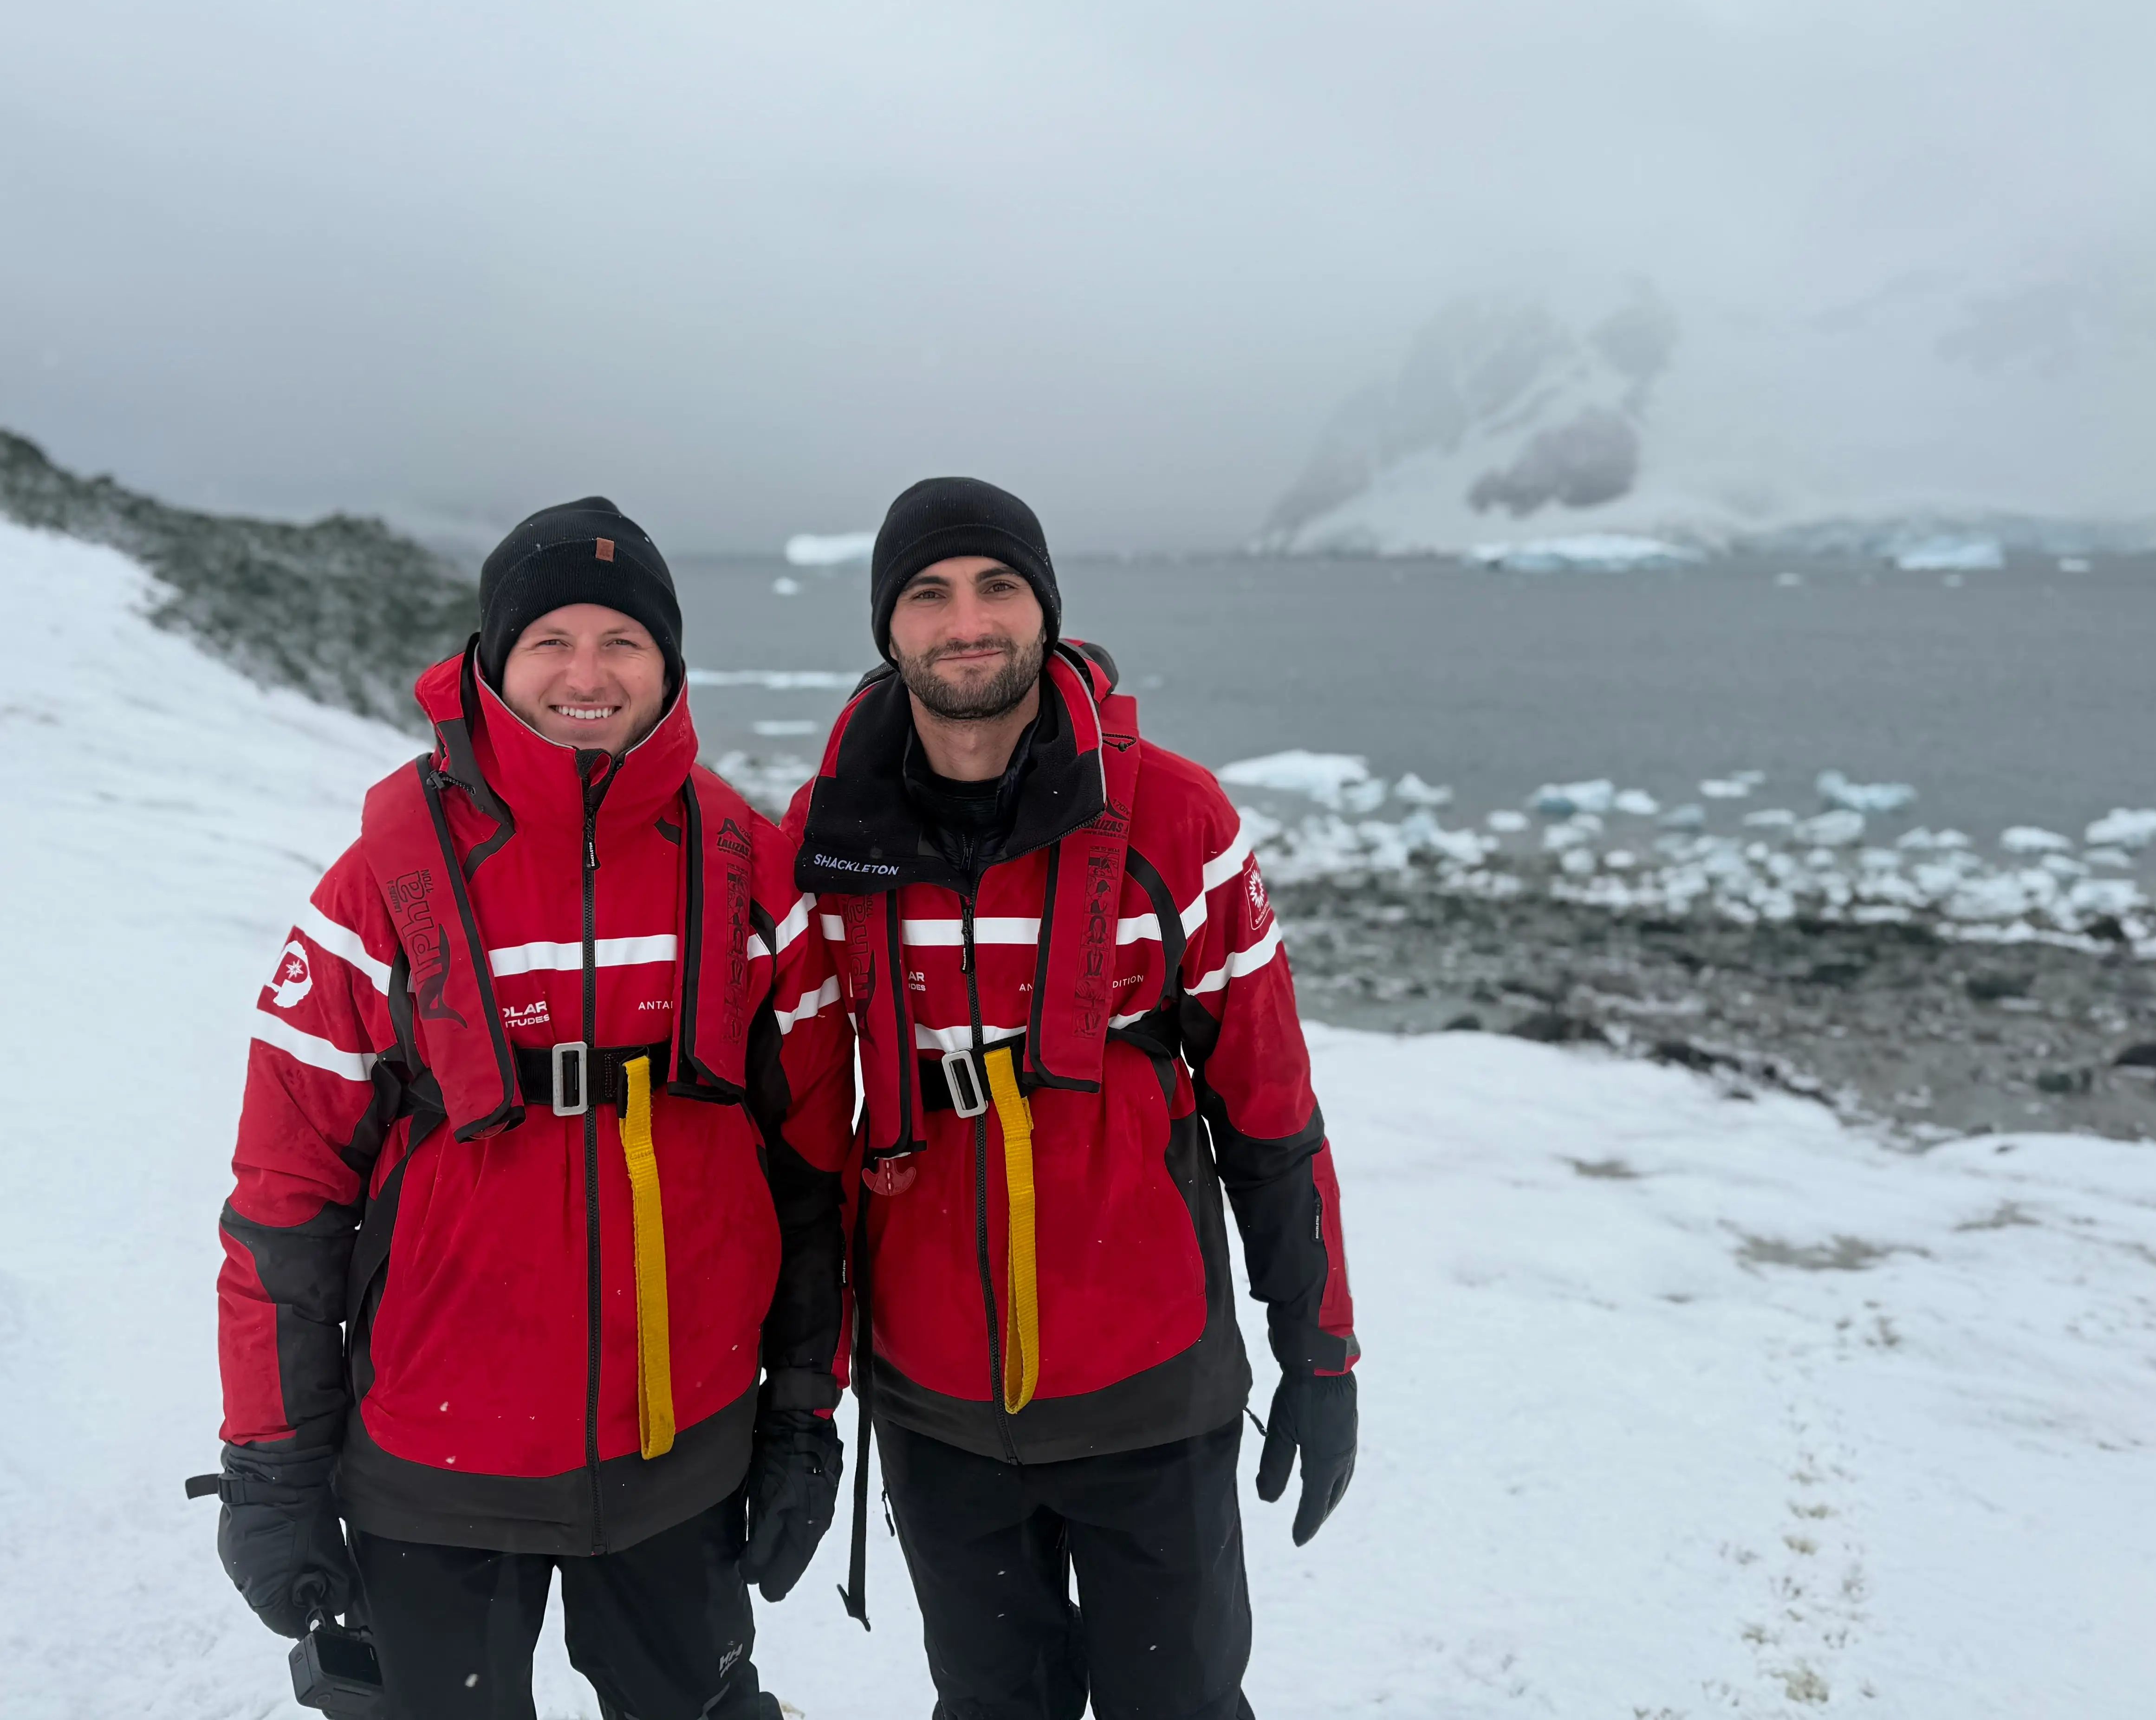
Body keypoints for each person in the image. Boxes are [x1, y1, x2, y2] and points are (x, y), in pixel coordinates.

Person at [212, 497, 853, 1720]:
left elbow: (814, 1179)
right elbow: (285, 1202)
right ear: (493, 662)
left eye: (622, 639)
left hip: (686, 1462)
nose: (586, 672)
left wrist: (802, 1416)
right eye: (550, 637)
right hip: (435, 1474)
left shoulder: (751, 870)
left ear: (669, 664)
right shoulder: (377, 893)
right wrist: (271, 1466)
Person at [786, 476, 1359, 1720]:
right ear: (889, 630)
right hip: (934, 1407)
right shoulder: (825, 842)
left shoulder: (1177, 818)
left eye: (999, 585)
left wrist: (1318, 1349)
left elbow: (1268, 1106)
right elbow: (796, 1150)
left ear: (1046, 608)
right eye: (929, 595)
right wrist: (799, 1399)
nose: (967, 620)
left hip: (1150, 1389)